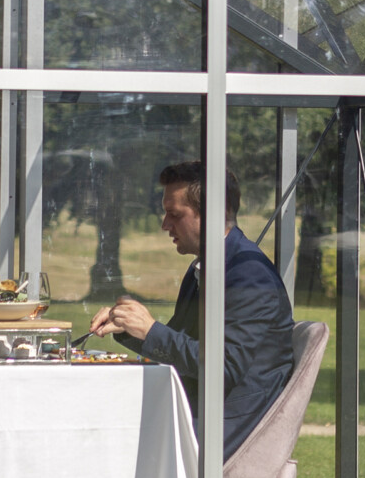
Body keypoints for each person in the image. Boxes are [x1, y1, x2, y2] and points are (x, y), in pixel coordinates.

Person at [89, 161, 295, 460]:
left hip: (225, 430)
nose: (164, 225)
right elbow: (182, 347)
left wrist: (150, 330)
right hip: (200, 411)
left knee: (101, 440)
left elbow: (223, 368)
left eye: (174, 215)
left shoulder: (250, 275)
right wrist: (129, 328)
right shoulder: (207, 265)